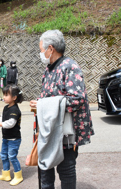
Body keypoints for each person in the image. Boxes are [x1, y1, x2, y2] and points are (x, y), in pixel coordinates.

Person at [29, 30, 94, 189]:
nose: (41, 53)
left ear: (50, 49)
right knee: (45, 171)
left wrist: (43, 105)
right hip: (48, 131)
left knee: (66, 172)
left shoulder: (70, 67)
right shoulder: (49, 69)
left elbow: (77, 99)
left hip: (66, 133)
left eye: (41, 50)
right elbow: (52, 96)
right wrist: (40, 104)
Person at [0, 84, 24, 186]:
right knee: (3, 155)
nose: (4, 97)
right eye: (4, 95)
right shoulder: (6, 108)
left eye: (6, 95)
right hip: (6, 138)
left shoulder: (15, 110)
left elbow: (11, 123)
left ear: (14, 97)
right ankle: (6, 174)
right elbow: (4, 119)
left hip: (14, 139)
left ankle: (18, 176)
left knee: (12, 156)